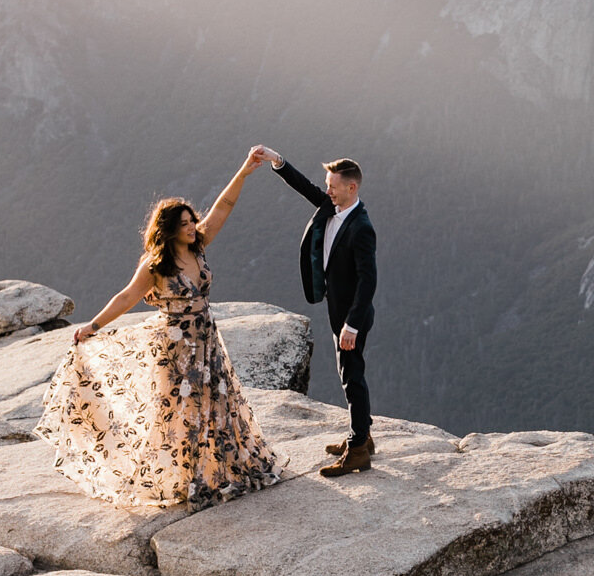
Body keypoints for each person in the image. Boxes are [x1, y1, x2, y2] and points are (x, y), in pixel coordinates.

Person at [35, 151, 281, 510]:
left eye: (191, 220)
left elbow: (224, 205)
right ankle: (182, 478)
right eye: (183, 223)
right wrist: (93, 326)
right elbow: (127, 296)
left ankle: (219, 470)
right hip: (176, 348)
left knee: (216, 405)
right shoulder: (156, 264)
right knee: (178, 412)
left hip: (207, 342)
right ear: (168, 229)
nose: (191, 226)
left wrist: (244, 171)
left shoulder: (199, 244)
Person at [254, 147, 376, 476]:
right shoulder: (331, 206)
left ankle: (358, 449)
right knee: (351, 373)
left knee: (351, 377)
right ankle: (364, 436)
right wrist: (278, 161)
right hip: (339, 308)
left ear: (352, 188)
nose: (327, 190)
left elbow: (369, 281)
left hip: (352, 316)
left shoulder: (361, 227)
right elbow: (305, 187)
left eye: (333, 185)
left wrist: (351, 325)